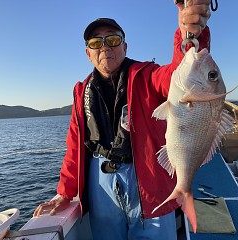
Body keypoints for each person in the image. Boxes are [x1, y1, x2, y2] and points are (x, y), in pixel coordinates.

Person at [34, 1, 211, 239]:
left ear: (125, 46)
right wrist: (64, 193)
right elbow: (75, 146)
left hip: (146, 177)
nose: (105, 47)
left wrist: (189, 33)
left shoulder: (147, 76)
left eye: (113, 40)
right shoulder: (81, 92)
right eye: (96, 43)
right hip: (101, 183)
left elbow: (182, 74)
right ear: (88, 54)